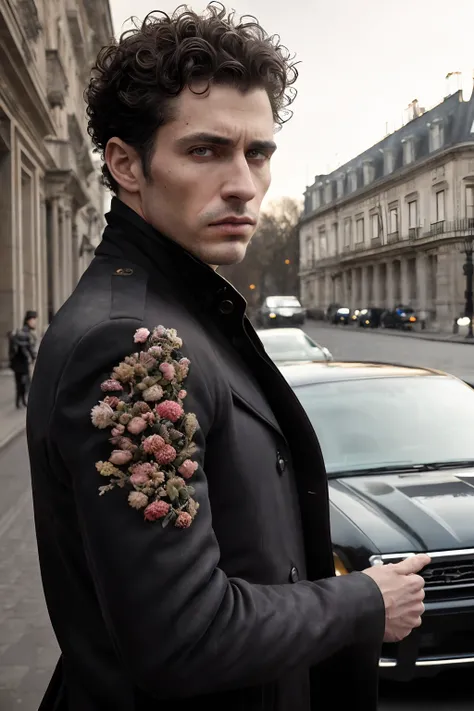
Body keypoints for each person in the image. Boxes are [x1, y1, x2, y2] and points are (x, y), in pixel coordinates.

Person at [27, 5, 429, 710]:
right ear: (126, 163)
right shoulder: (129, 345)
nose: (244, 183)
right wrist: (363, 601)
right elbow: (185, 635)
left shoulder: (179, 309)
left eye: (260, 153)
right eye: (206, 150)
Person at [8, 310, 37, 408]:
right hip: (21, 364)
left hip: (20, 364)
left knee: (21, 383)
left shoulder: (26, 332)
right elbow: (26, 348)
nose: (35, 322)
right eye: (33, 320)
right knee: (22, 383)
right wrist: (31, 357)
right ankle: (20, 402)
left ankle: (21, 401)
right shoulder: (24, 333)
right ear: (28, 321)